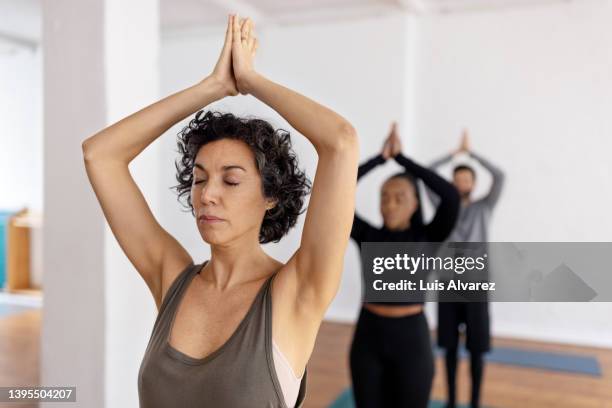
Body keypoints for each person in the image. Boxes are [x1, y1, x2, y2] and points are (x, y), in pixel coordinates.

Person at [82, 14, 359, 408]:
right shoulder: (171, 278)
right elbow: (100, 155)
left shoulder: (296, 293)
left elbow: (341, 142)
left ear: (271, 196)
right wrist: (211, 88)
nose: (207, 195)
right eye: (198, 179)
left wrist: (250, 81)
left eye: (230, 181)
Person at [349, 122, 460, 408]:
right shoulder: (367, 236)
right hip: (368, 336)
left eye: (400, 198)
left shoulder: (429, 236)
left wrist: (402, 160)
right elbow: (338, 187)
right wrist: (379, 158)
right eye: (384, 197)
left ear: (414, 204)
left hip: (412, 339)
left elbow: (450, 195)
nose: (389, 204)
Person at [426, 129, 505, 408]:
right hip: (448, 285)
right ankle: (450, 401)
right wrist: (453, 155)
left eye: (467, 178)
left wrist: (471, 154)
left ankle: (474, 402)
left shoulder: (484, 207)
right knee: (448, 347)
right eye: (458, 179)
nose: (462, 183)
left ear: (473, 182)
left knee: (476, 349)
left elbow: (500, 176)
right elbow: (426, 173)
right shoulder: (443, 206)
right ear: (453, 182)